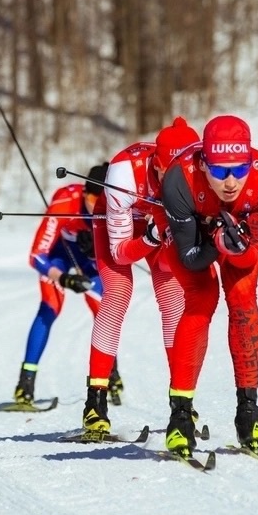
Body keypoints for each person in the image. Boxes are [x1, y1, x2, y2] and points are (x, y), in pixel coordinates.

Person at [160, 114, 258, 456]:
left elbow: (247, 262)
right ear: (203, 165)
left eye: (238, 169)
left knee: (243, 297)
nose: (230, 182)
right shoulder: (178, 179)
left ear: (249, 162)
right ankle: (180, 415)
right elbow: (189, 258)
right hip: (193, 238)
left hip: (234, 235)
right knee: (201, 299)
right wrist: (216, 240)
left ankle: (249, 412)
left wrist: (238, 243)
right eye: (219, 172)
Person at [80, 117, 200, 437]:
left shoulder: (196, 174)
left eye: (182, 176)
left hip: (157, 222)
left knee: (173, 296)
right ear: (156, 166)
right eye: (166, 175)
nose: (174, 182)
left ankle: (181, 401)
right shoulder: (123, 175)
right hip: (119, 223)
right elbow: (119, 252)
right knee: (118, 294)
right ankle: (95, 402)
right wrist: (148, 238)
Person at [12, 164, 109, 407]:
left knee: (105, 310)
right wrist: (63, 278)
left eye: (103, 201)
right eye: (92, 199)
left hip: (88, 260)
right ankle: (25, 384)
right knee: (50, 307)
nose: (96, 207)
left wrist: (95, 253)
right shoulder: (65, 202)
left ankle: (111, 374)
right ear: (85, 194)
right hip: (58, 257)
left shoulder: (114, 209)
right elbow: (36, 255)